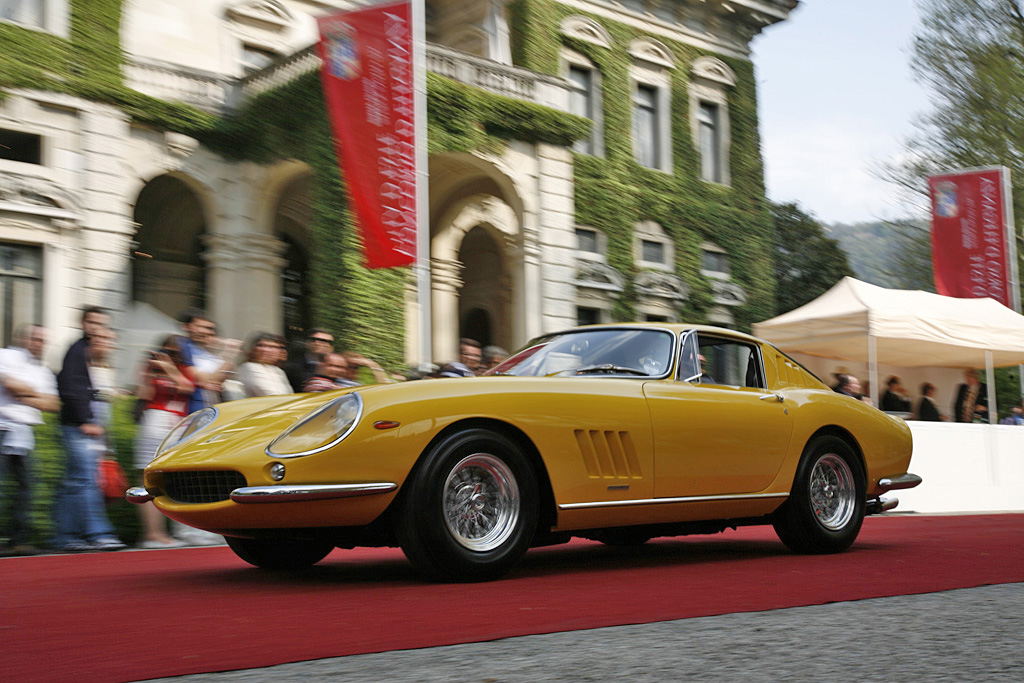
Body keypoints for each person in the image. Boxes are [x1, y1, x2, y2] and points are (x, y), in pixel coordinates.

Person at [51, 308, 126, 551]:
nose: (97, 328)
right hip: (79, 426)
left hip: (85, 426)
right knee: (85, 481)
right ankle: (98, 533)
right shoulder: (78, 351)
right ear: (83, 323)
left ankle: (66, 536)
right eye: (93, 323)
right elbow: (70, 387)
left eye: (102, 326)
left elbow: (89, 390)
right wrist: (85, 420)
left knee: (75, 481)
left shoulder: (90, 354)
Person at [0, 325, 58, 556]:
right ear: (22, 338)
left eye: (43, 340)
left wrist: (24, 393)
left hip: (24, 433)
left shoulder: (43, 371)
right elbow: (9, 385)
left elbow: (52, 405)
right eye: (35, 338)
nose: (39, 344)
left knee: (26, 489)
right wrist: (37, 394)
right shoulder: (6, 355)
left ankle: (18, 540)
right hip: (2, 427)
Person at [132, 335, 193, 548]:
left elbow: (186, 388)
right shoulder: (152, 371)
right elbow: (142, 395)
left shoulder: (184, 369)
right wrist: (146, 372)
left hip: (178, 424)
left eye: (175, 352)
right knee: (149, 480)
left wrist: (168, 367)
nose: (169, 355)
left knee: (177, 479)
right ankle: (153, 535)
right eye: (166, 351)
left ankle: (179, 530)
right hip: (154, 421)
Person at [176, 309, 242, 412]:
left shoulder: (206, 352)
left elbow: (225, 377)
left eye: (210, 329)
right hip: (194, 407)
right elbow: (206, 380)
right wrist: (229, 354)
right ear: (186, 326)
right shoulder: (183, 347)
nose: (206, 332)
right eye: (200, 327)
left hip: (212, 405)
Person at [238, 333, 293, 397]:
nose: (265, 350)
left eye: (272, 347)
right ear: (253, 349)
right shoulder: (249, 367)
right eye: (260, 345)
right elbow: (270, 395)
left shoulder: (278, 370)